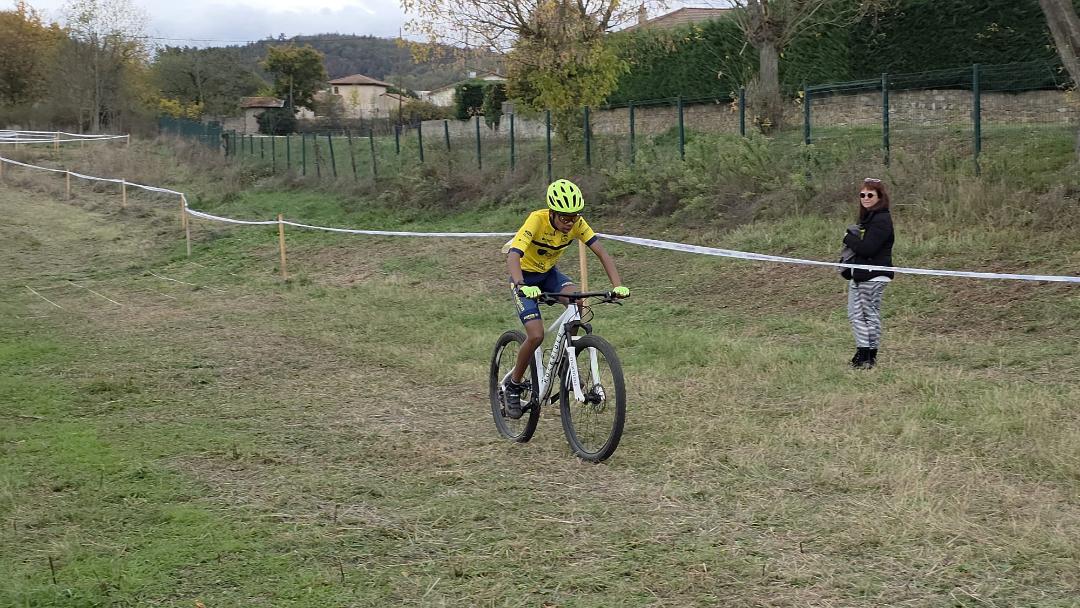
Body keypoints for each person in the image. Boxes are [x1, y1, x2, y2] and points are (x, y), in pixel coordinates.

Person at [502, 179, 629, 418]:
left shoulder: (577, 224)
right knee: (536, 335)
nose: (570, 223)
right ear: (552, 212)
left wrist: (617, 285)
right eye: (564, 218)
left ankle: (565, 362)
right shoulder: (536, 220)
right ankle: (514, 384)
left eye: (574, 217)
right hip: (524, 278)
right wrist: (520, 284)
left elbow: (601, 252)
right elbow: (513, 256)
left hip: (549, 275)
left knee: (578, 302)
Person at [842, 177, 895, 369]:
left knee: (865, 315)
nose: (865, 198)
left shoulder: (881, 220)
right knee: (857, 314)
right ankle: (864, 353)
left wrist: (848, 239)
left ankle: (867, 356)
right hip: (861, 274)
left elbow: (868, 249)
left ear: (880, 197)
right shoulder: (870, 218)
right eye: (862, 195)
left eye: (870, 195)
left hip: (872, 275)